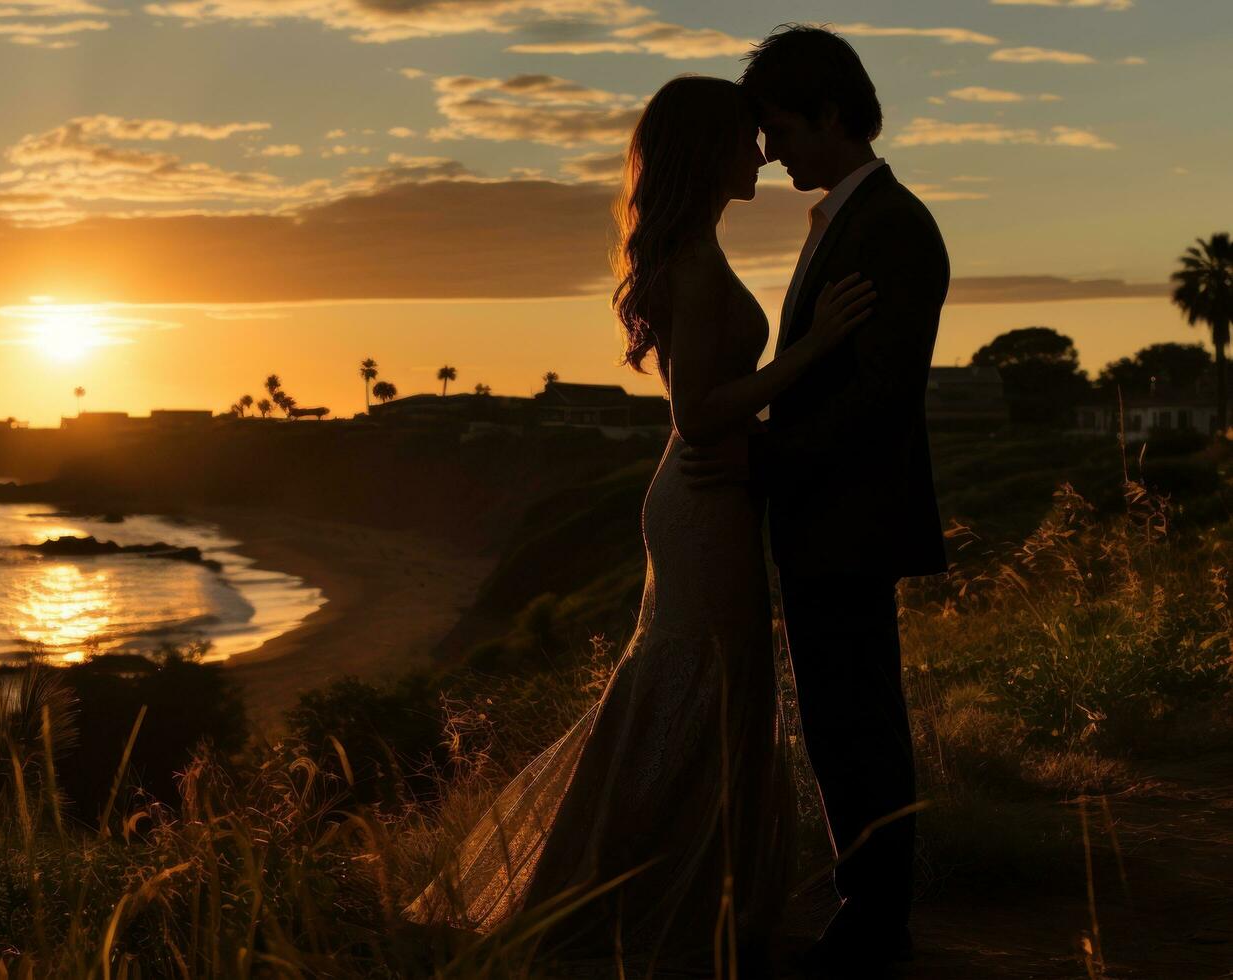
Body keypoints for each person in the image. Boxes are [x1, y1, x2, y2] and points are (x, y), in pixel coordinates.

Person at [399, 72, 876, 976]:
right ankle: (627, 898)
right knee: (695, 688)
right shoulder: (693, 262)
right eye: (748, 139)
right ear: (708, 151)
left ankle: (690, 897)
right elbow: (698, 415)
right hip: (703, 492)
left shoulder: (692, 246)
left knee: (710, 687)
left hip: (712, 493)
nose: (762, 153)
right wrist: (812, 353)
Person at [686, 24, 952, 976]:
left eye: (780, 128)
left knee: (857, 723)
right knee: (843, 721)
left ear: (831, 116)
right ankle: (866, 914)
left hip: (849, 521)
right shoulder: (850, 216)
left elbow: (880, 396)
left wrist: (761, 460)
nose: (767, 150)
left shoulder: (890, 225)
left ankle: (874, 925)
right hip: (826, 520)